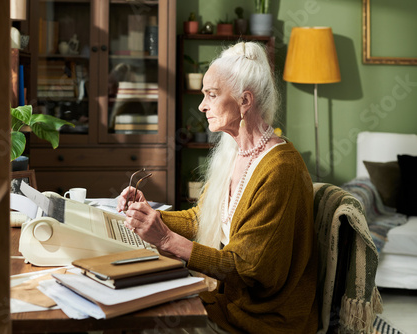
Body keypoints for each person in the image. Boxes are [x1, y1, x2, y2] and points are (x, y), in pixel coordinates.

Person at [116, 41, 318, 334]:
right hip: (228, 300)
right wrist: (146, 216)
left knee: (140, 321)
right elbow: (204, 218)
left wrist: (167, 240)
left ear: (244, 101)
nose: (202, 106)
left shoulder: (280, 169)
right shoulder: (238, 152)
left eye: (211, 95)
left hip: (260, 318)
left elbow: (247, 269)